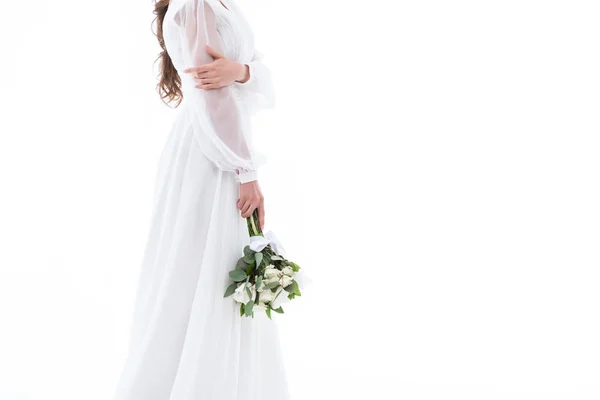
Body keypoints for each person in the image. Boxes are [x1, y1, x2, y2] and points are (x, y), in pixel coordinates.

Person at [112, 0, 289, 398]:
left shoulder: (217, 4)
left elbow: (258, 73)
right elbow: (213, 98)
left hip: (220, 144)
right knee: (203, 268)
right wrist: (245, 171)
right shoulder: (194, 6)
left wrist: (241, 71)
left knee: (213, 266)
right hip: (211, 154)